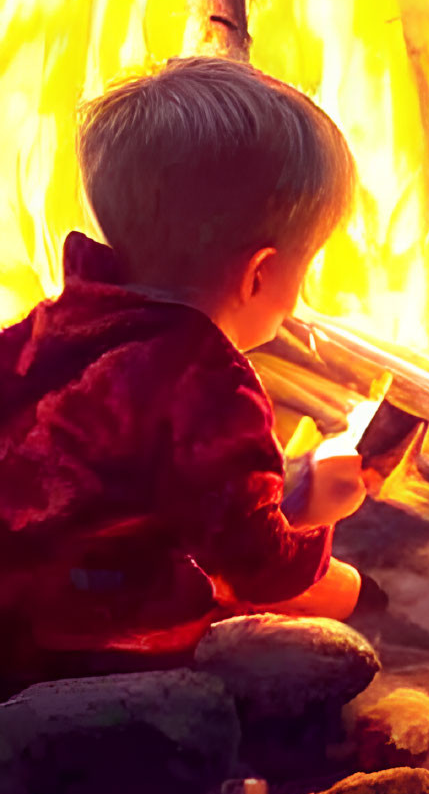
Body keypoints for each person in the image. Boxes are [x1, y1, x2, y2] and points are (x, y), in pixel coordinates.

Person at [0, 58, 373, 685]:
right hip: (71, 635)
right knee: (341, 592)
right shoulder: (209, 383)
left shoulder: (50, 324)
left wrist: (291, 485)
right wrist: (324, 510)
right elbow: (252, 566)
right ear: (260, 274)